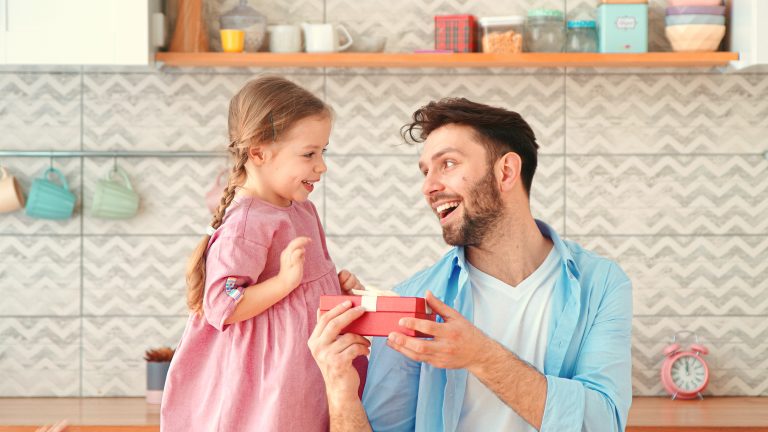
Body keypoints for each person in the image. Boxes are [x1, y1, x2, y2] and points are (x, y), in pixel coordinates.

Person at [309, 98, 633, 432]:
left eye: (447, 164)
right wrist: (341, 391)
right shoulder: (412, 301)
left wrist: (481, 356)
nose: (428, 187)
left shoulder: (600, 284)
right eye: (425, 171)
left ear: (505, 171)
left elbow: (602, 422)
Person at [161, 76, 366, 431]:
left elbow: (308, 287)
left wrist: (335, 289)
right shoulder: (246, 223)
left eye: (323, 152)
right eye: (309, 154)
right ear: (258, 152)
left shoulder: (302, 210)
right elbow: (223, 303)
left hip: (304, 368)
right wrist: (287, 281)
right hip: (268, 378)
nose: (322, 166)